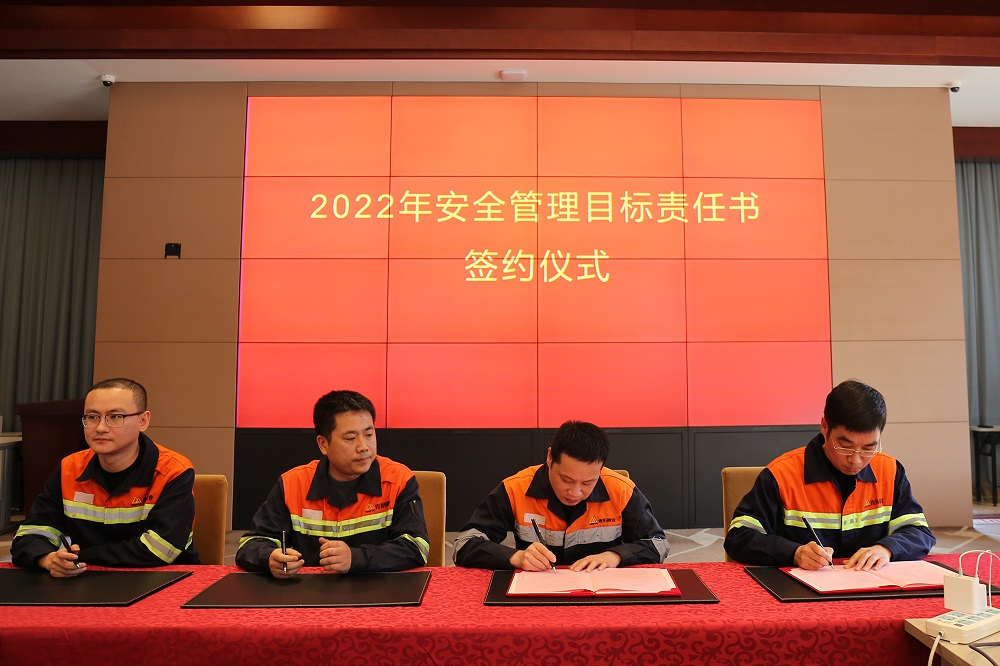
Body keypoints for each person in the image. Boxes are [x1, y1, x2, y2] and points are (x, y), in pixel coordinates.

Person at [724, 380, 935, 571]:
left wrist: (886, 549)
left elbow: (919, 532)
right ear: (825, 427)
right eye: (845, 446)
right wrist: (794, 553)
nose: (856, 460)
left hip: (871, 586)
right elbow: (739, 537)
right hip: (799, 591)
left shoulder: (889, 471)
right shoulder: (782, 475)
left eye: (869, 448)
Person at [11, 377, 199, 576]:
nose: (100, 428)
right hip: (85, 580)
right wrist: (48, 559)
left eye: (115, 417)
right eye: (92, 417)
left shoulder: (173, 471)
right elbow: (31, 534)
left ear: (143, 421)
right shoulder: (70, 468)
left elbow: (160, 550)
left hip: (165, 579)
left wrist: (80, 556)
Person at [236, 389, 430, 577]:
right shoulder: (293, 484)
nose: (364, 447)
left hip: (380, 590)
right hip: (309, 592)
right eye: (350, 438)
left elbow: (416, 546)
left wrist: (356, 558)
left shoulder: (397, 480)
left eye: (369, 434)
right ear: (323, 444)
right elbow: (251, 544)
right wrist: (269, 558)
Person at [453, 419, 669, 571]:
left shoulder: (620, 490)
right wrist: (515, 557)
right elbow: (463, 544)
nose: (575, 492)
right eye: (566, 480)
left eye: (588, 482)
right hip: (538, 596)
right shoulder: (515, 489)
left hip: (601, 598)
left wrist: (615, 556)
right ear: (550, 458)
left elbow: (659, 544)